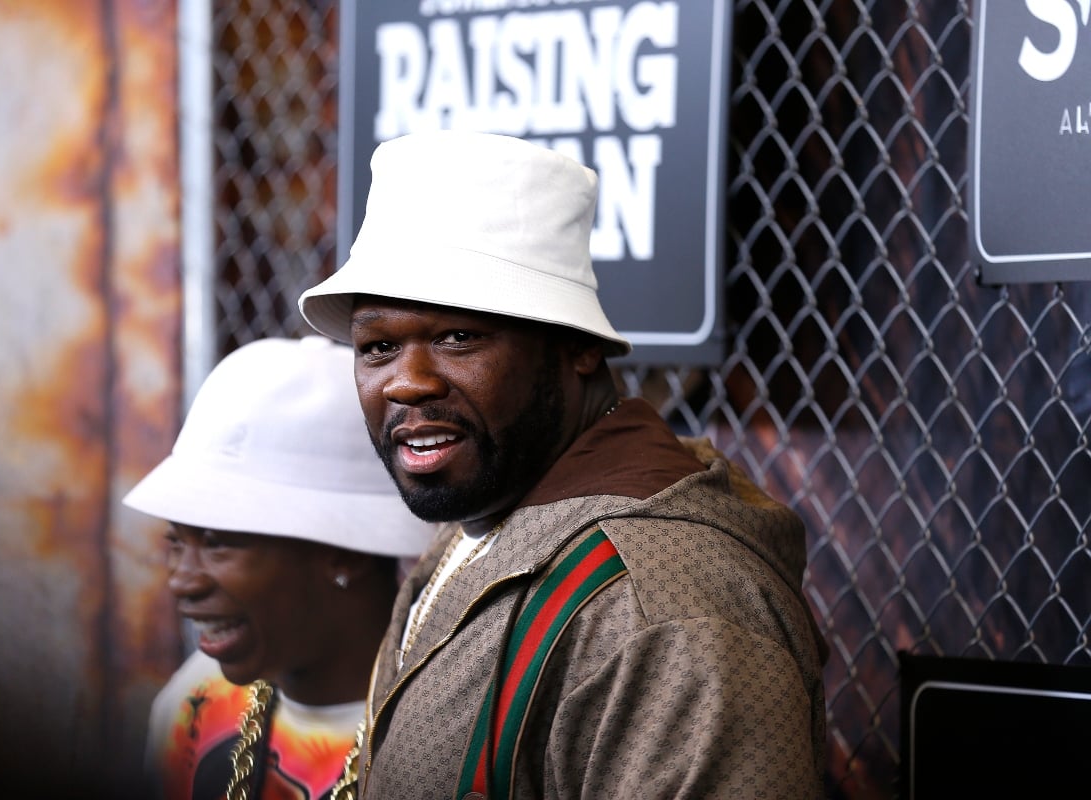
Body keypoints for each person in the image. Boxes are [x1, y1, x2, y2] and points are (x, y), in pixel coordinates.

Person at [297, 130, 830, 799]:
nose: (406, 383)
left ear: (577, 348)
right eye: (377, 346)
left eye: (458, 336)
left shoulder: (662, 607)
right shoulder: (494, 501)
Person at [122, 335, 437, 800]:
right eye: (176, 543)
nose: (181, 580)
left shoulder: (451, 734)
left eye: (217, 545)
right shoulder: (194, 706)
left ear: (346, 551)